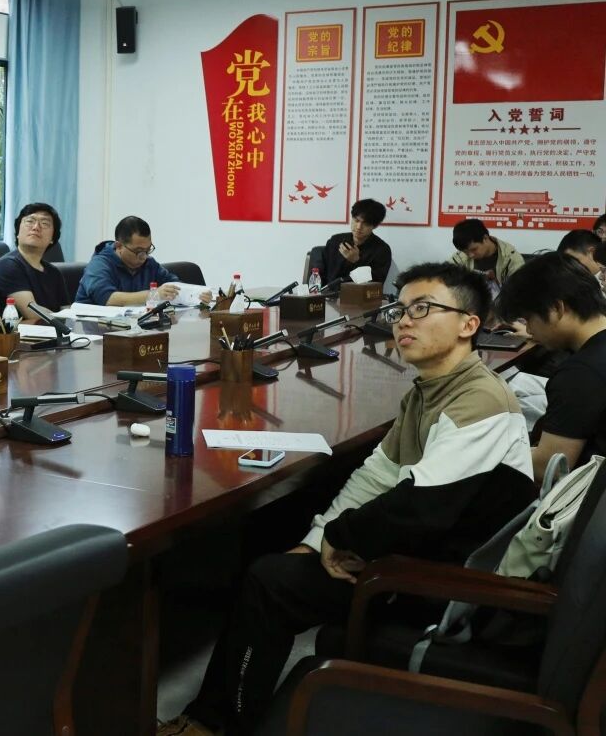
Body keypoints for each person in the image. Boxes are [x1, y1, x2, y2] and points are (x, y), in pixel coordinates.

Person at [163, 263, 534, 736]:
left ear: (468, 325)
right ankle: (220, 711)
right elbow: (376, 476)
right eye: (401, 309)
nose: (404, 321)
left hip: (451, 585)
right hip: (427, 551)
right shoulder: (430, 391)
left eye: (423, 309)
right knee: (281, 543)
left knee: (270, 582)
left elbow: (421, 507)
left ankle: (214, 724)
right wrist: (317, 542)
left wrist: (340, 537)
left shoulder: (480, 401)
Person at [496, 253, 606, 471]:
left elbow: (548, 468)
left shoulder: (580, 374)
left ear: (557, 308)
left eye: (529, 319)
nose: (529, 329)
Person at [75, 216, 208, 307]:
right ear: (119, 246)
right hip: (92, 333)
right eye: (138, 251)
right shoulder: (99, 265)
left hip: (134, 329)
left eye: (147, 250)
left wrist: (197, 295)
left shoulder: (149, 263)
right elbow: (108, 298)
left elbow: (173, 284)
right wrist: (154, 295)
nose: (143, 257)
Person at [0, 203, 71, 321]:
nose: (36, 227)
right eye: (30, 221)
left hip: (49, 331)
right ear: (18, 232)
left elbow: (67, 312)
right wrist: (62, 320)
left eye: (44, 223)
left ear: (52, 238)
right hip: (15, 333)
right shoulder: (7, 265)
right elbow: (33, 313)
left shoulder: (54, 273)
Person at [317, 198, 392, 284]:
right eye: (356, 220)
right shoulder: (335, 241)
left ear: (374, 226)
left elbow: (376, 283)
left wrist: (356, 262)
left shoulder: (382, 250)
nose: (359, 227)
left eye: (366, 223)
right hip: (328, 291)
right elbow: (320, 272)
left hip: (358, 292)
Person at [450, 218, 524, 297]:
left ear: (485, 238)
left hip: (502, 302)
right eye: (466, 252)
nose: (470, 255)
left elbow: (520, 291)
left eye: (474, 249)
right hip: (470, 301)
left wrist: (499, 285)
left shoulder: (511, 258)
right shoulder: (461, 255)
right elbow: (446, 277)